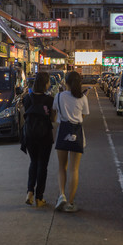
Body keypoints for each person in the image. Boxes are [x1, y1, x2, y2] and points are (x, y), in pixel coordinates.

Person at [53, 71, 90, 213]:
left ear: (65, 82)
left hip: (63, 131)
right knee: (74, 169)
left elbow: (54, 112)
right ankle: (70, 202)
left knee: (62, 167)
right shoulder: (83, 98)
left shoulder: (59, 96)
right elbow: (84, 115)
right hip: (77, 133)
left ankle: (61, 194)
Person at [22, 72, 56, 208]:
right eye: (48, 82)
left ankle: (30, 192)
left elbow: (26, 115)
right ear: (45, 84)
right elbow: (53, 119)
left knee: (33, 162)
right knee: (43, 165)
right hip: (45, 136)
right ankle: (39, 198)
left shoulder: (27, 98)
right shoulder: (49, 100)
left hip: (29, 135)